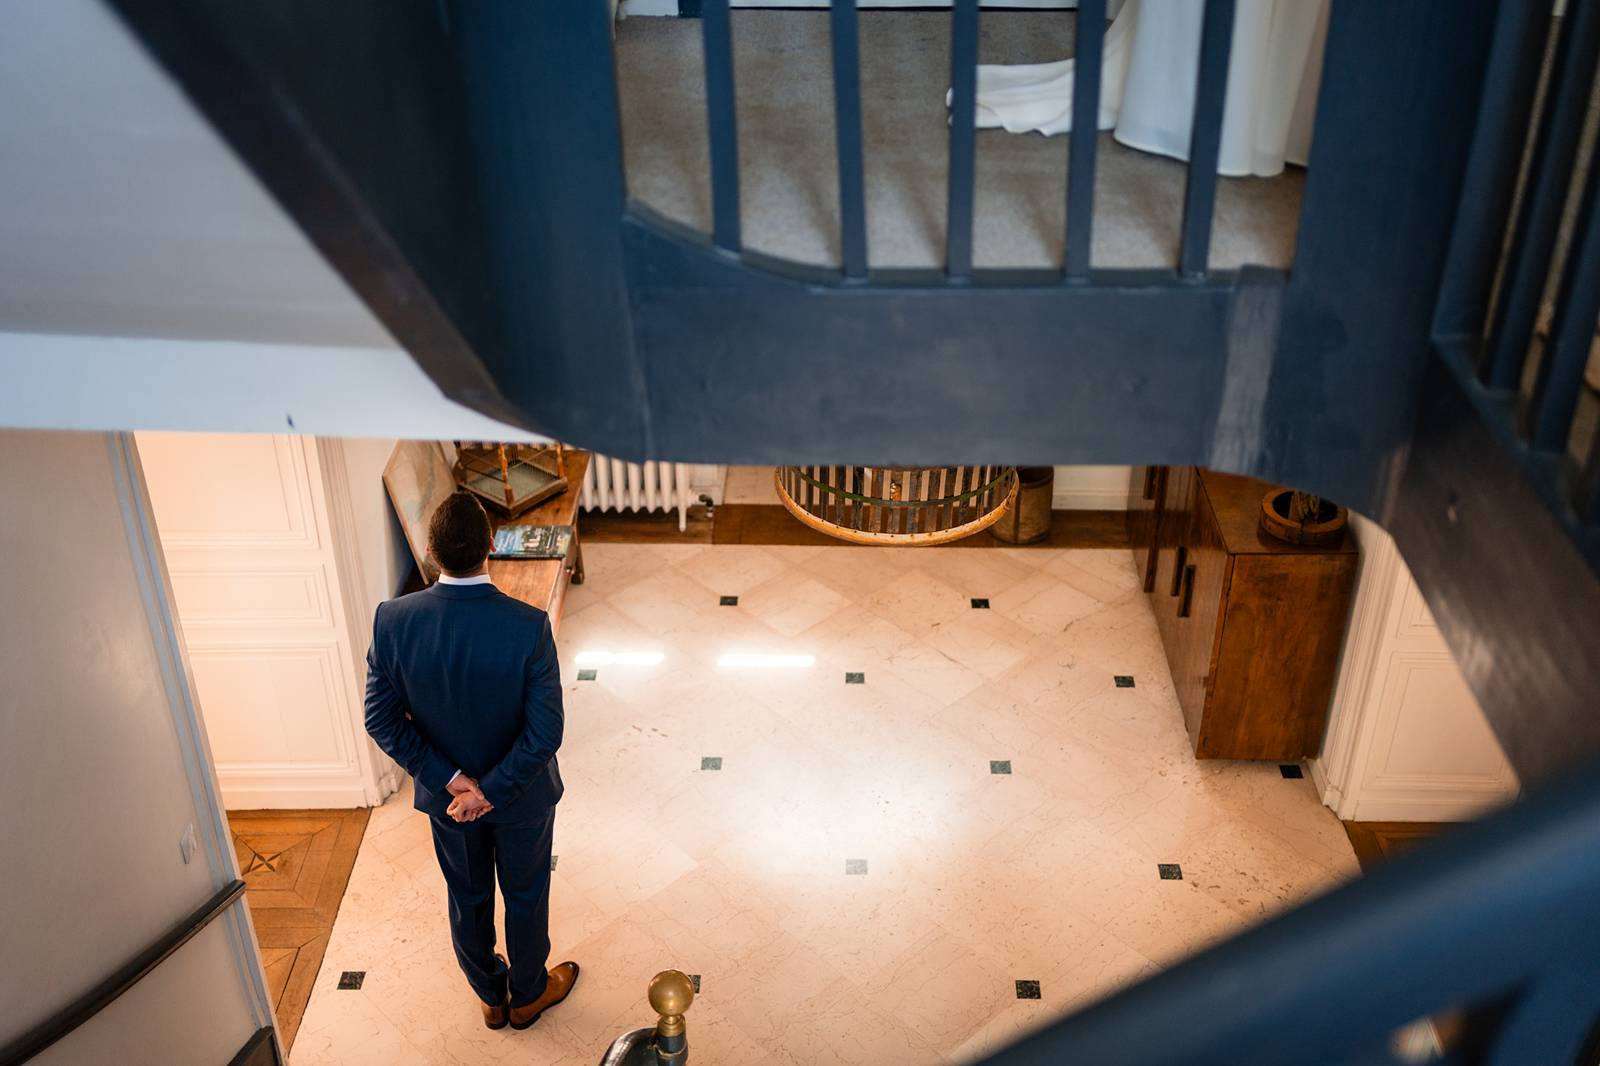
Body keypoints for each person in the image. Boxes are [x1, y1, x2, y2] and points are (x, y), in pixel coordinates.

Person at [363, 490, 579, 1031]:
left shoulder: (393, 621)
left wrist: (454, 783)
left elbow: (380, 720)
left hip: (450, 804)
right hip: (522, 797)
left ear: (433, 552)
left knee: (468, 897)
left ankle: (489, 993)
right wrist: (492, 789)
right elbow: (545, 731)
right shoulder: (528, 626)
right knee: (526, 895)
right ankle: (529, 994)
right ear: (491, 546)